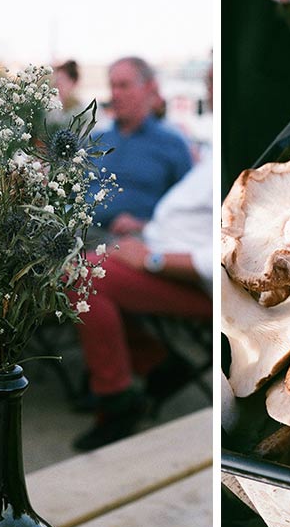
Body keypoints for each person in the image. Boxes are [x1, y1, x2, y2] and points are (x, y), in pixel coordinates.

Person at [71, 149, 213, 451]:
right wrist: (145, 229)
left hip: (202, 285)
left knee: (83, 277)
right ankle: (158, 365)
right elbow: (196, 226)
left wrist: (152, 260)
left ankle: (116, 401)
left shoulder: (230, 148)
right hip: (160, 255)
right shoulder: (214, 149)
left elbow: (226, 256)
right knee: (75, 268)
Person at [90, 56, 193, 239]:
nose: (116, 94)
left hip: (136, 241)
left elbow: (189, 210)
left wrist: (145, 225)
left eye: (123, 86)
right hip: (80, 233)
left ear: (148, 88)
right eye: (112, 86)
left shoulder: (172, 143)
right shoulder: (95, 140)